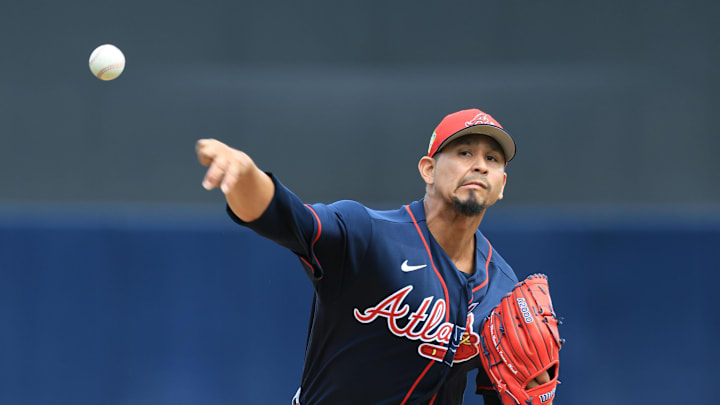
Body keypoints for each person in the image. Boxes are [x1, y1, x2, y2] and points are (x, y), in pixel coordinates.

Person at [196, 109, 546, 404]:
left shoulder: (503, 288)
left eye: (492, 159)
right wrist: (244, 177)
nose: (480, 166)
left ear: (502, 184)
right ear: (428, 169)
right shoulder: (367, 234)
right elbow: (285, 216)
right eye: (464, 153)